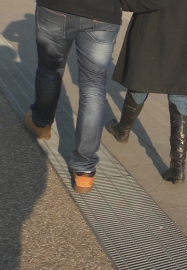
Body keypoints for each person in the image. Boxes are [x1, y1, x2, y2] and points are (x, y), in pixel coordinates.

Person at [23, 0, 144, 193]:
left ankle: (41, 123)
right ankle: (84, 170)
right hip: (103, 14)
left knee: (50, 69)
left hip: (55, 8)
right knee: (93, 86)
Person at [108, 0, 187, 185]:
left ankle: (123, 131)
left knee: (141, 80)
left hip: (156, 25)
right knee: (178, 92)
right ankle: (178, 168)